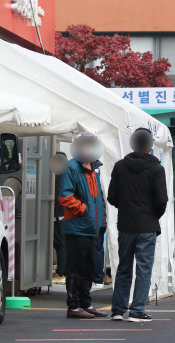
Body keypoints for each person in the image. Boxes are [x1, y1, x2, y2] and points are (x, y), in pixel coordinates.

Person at [108, 128, 168, 322]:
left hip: (126, 224)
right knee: (144, 269)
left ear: (133, 144)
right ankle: (137, 310)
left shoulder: (119, 166)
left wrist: (126, 208)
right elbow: (161, 200)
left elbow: (112, 197)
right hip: (147, 225)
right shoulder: (157, 168)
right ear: (150, 145)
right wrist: (152, 215)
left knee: (124, 267)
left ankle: (118, 310)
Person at [58, 133, 108, 319]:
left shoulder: (95, 168)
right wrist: (85, 210)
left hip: (91, 228)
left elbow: (98, 198)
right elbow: (65, 196)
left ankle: (86, 304)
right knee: (75, 268)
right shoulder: (71, 167)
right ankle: (73, 306)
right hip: (77, 227)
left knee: (89, 267)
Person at [53, 152, 67, 279]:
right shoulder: (67, 172)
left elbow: (57, 192)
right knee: (61, 243)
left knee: (59, 243)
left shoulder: (58, 174)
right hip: (63, 212)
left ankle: (61, 271)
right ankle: (63, 269)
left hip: (58, 213)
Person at [93, 195, 107, 290]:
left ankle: (97, 279)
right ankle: (98, 278)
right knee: (99, 250)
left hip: (96, 221)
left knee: (96, 250)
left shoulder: (94, 185)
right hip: (102, 221)